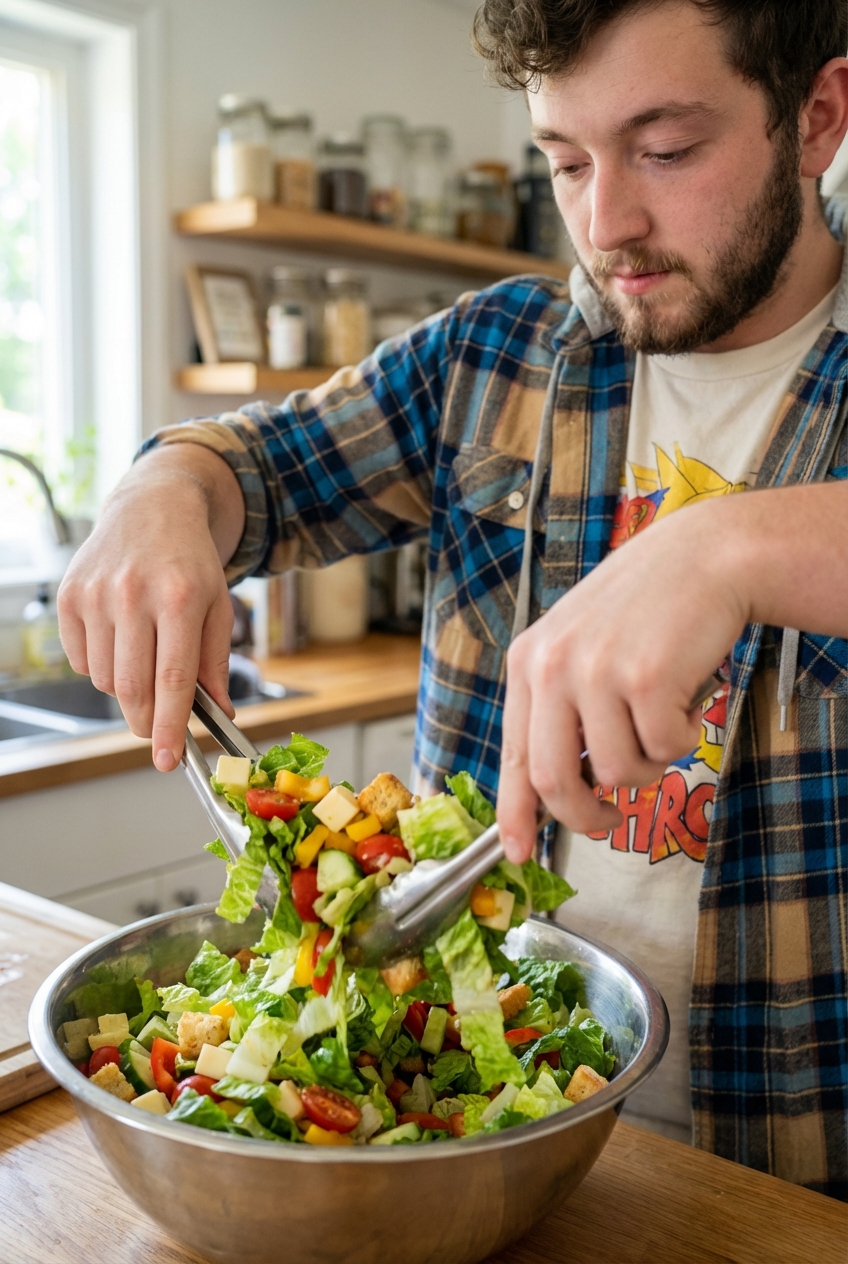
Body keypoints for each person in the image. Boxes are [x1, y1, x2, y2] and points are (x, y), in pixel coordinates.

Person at [58, 0, 847, 1197]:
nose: (605, 221)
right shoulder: (497, 354)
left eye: (666, 150)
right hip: (462, 1139)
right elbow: (247, 469)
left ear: (817, 118)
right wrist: (161, 490)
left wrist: (725, 547)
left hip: (794, 1173)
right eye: (564, 159)